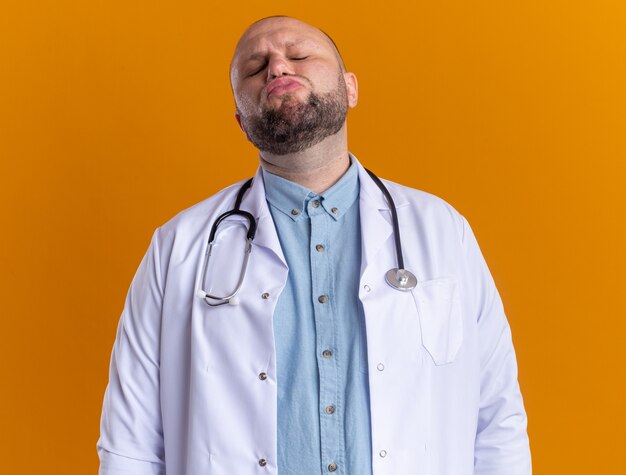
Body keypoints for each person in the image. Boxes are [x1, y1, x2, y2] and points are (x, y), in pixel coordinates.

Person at [97, 16, 532, 475]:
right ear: (241, 121)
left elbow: (497, 416)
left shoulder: (442, 231)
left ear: (350, 89)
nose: (277, 66)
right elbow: (131, 443)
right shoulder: (179, 247)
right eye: (255, 66)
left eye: (300, 55)